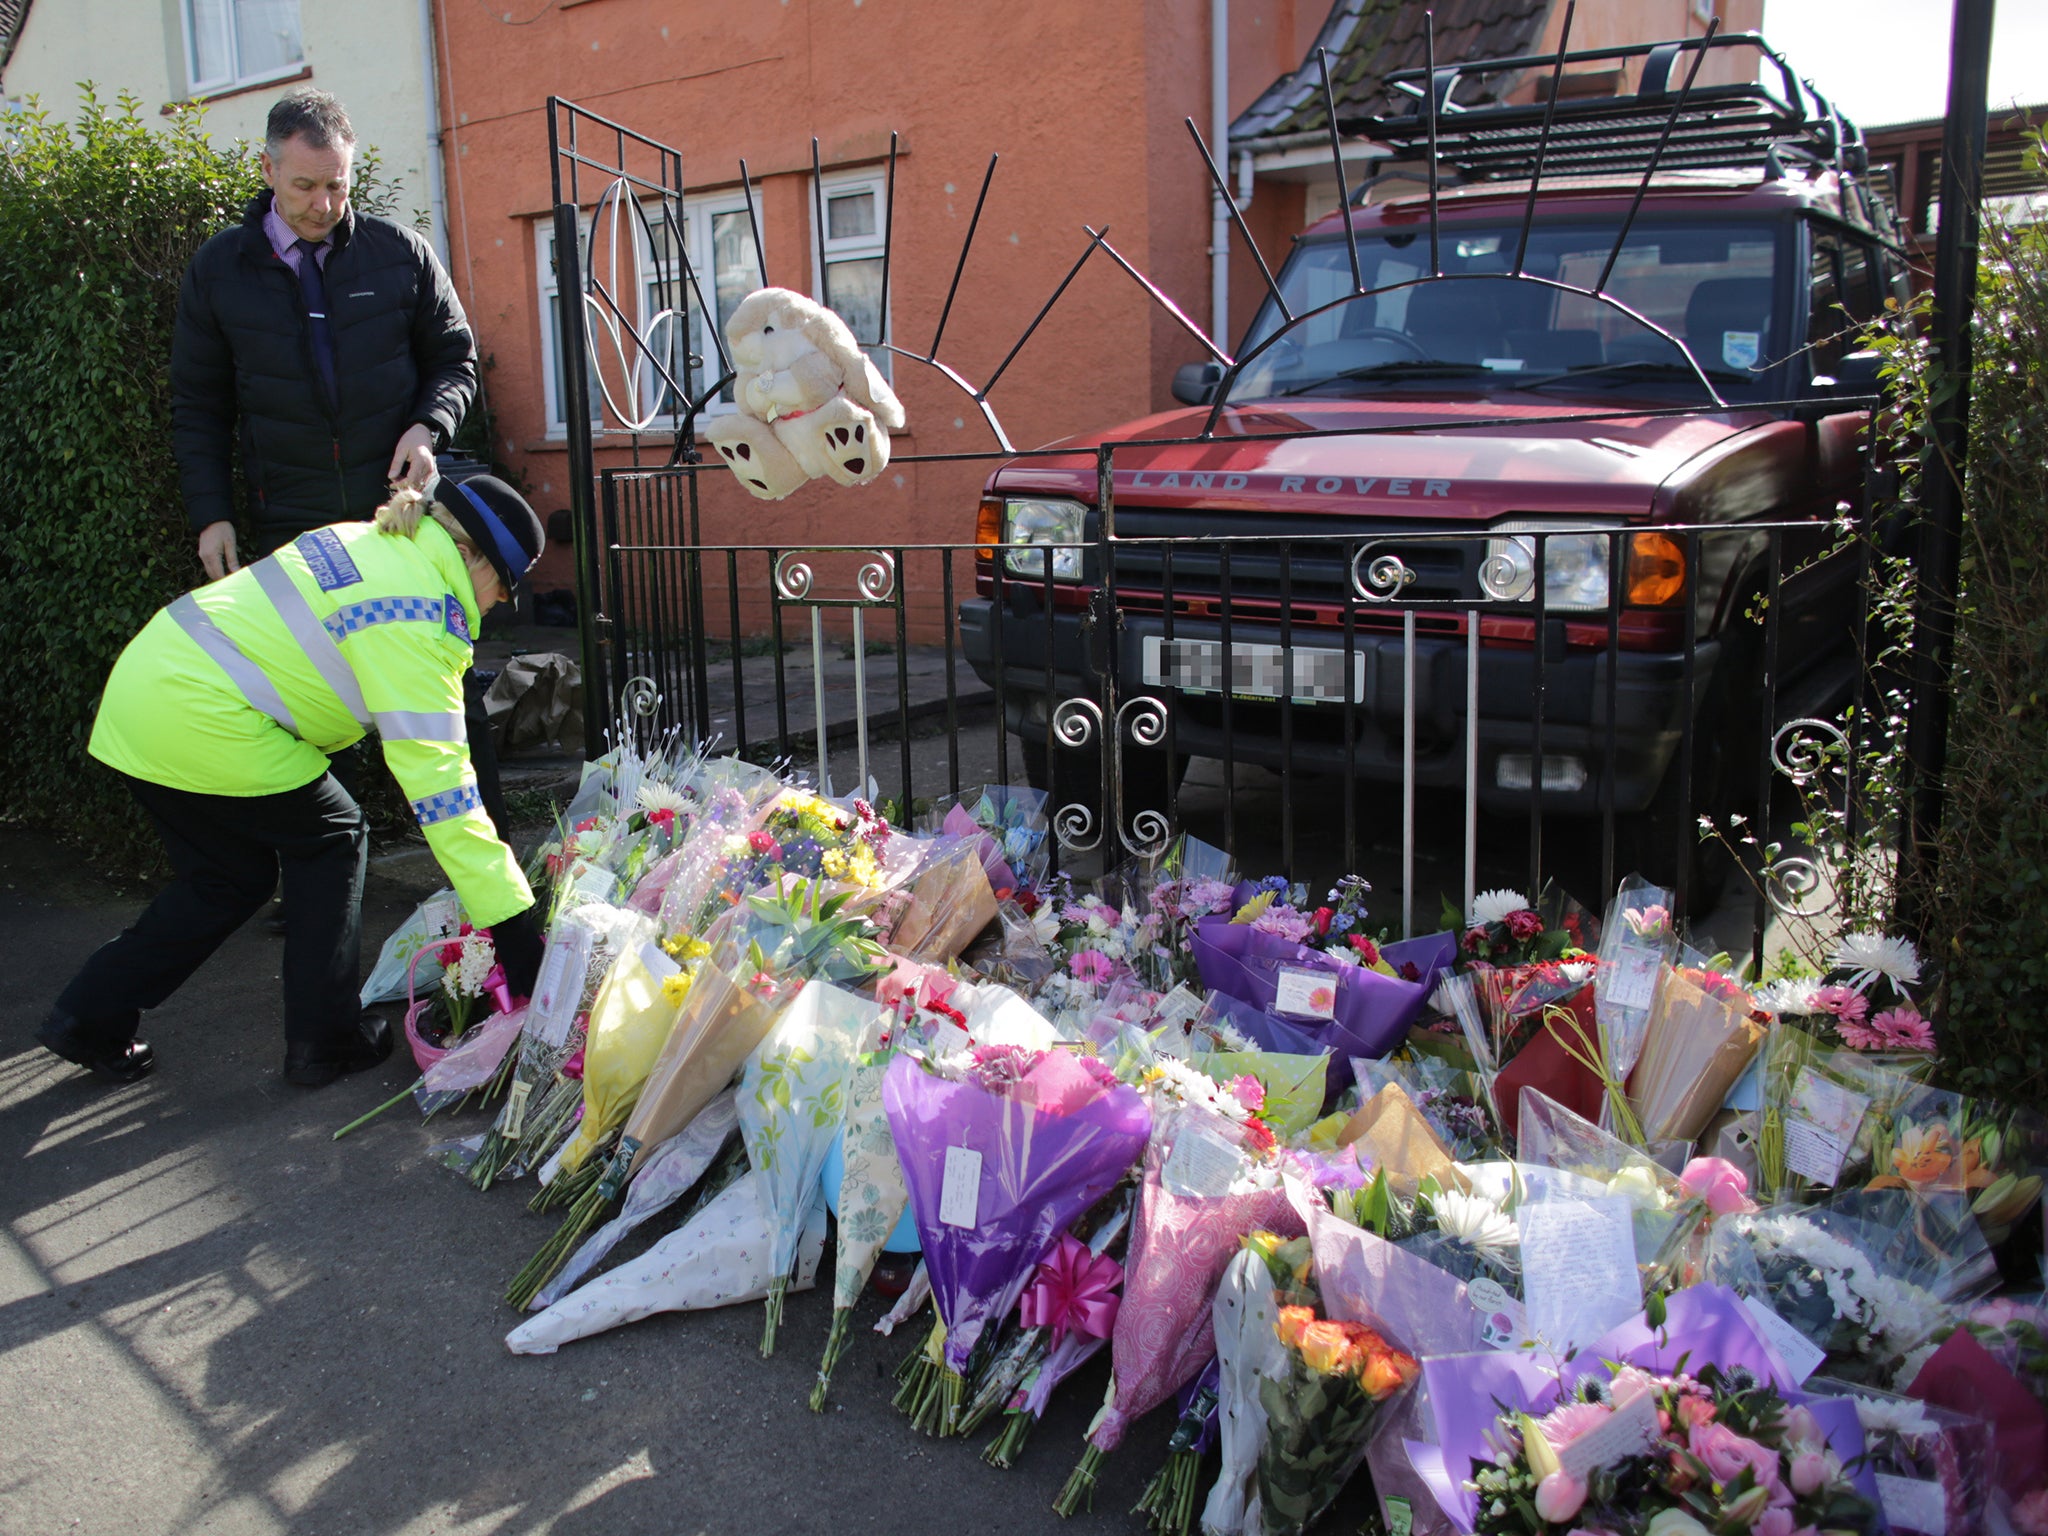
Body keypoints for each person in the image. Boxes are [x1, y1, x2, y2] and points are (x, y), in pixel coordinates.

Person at [38, 476, 550, 1088]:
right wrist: (512, 920)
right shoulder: (420, 612)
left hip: (147, 697)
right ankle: (325, 1042)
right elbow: (442, 786)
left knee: (227, 879)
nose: (498, 604)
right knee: (334, 837)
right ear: (470, 556)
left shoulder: (369, 541)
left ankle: (89, 1016)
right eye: (504, 587)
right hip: (208, 716)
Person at [170, 89, 515, 845]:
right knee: (303, 706)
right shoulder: (220, 270)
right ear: (267, 169)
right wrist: (212, 514)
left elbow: (455, 360)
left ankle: (500, 881)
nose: (324, 203)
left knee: (445, 690)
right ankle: (322, 875)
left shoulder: (399, 254)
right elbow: (198, 406)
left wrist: (429, 426)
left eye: (337, 185)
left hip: (396, 518)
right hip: (291, 522)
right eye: (304, 186)